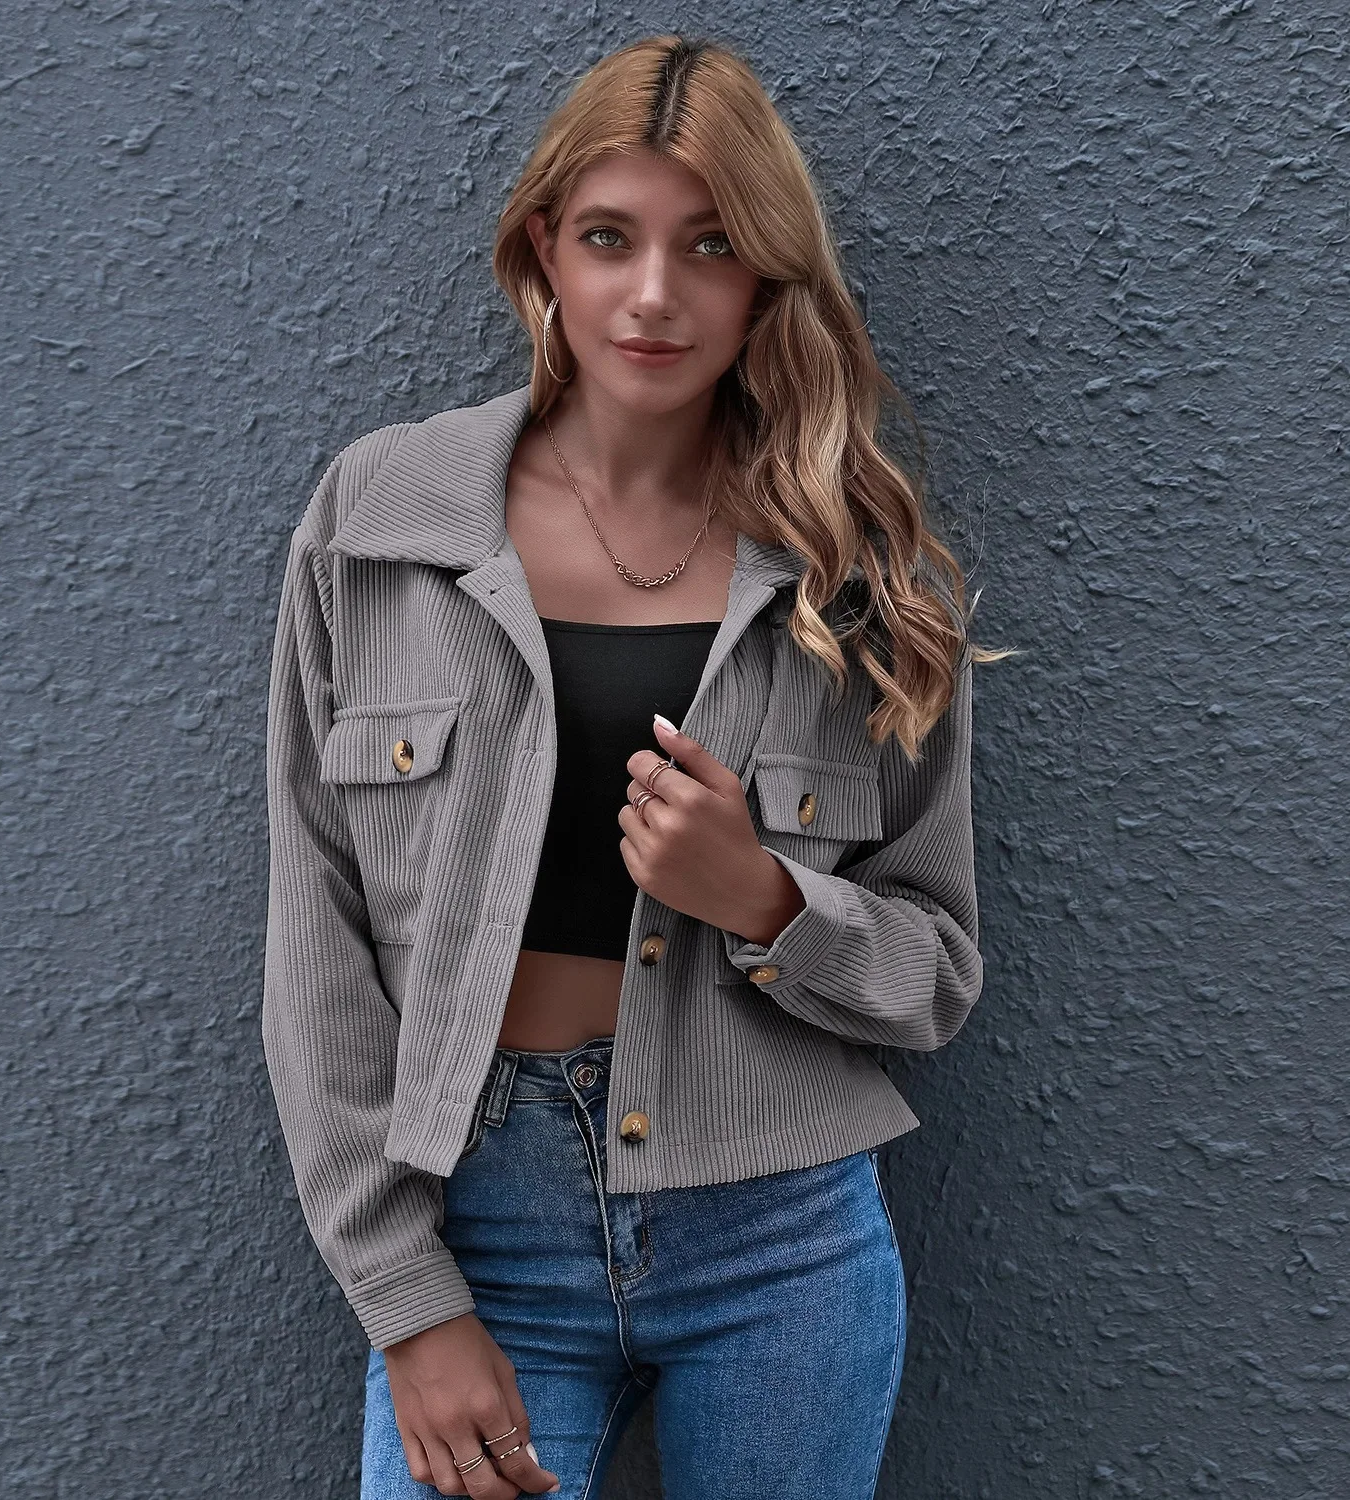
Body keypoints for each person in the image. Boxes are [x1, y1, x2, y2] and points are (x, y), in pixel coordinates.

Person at [261, 32, 1008, 1500]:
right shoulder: (381, 520)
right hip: (484, 1228)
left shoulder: (859, 572)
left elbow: (936, 976)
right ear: (545, 248)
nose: (656, 294)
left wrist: (767, 900)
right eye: (611, 237)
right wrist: (407, 1302)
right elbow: (315, 943)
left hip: (779, 1239)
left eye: (712, 245)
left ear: (767, 278)